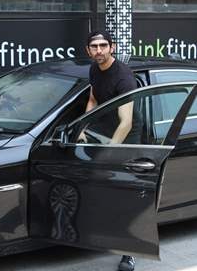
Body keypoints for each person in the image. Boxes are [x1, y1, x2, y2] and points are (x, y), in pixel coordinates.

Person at [79, 30, 137, 271]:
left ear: (112, 47)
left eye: (104, 45)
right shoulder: (95, 68)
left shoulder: (122, 76)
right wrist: (83, 126)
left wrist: (110, 154)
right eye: (95, 46)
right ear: (88, 51)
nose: (99, 50)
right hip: (104, 132)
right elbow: (93, 99)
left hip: (127, 139)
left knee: (123, 195)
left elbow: (126, 122)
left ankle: (130, 252)